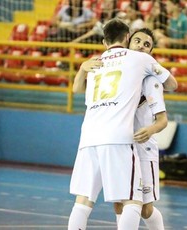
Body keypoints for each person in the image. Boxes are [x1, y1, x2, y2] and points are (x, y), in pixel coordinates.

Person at [68, 19, 173, 230]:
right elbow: (173, 84)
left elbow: (76, 89)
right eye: (137, 41)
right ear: (127, 39)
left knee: (89, 201)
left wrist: (81, 69)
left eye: (147, 44)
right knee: (128, 202)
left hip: (107, 139)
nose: (142, 46)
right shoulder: (136, 61)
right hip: (119, 139)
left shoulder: (98, 63)